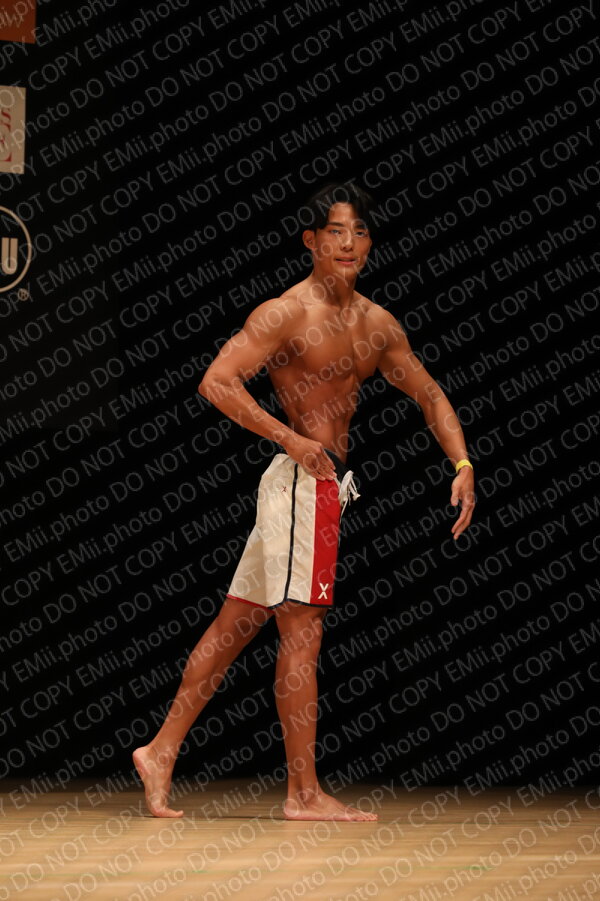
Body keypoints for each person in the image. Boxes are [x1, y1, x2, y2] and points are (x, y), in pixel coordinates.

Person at [132, 181, 476, 819]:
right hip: (301, 484)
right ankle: (304, 793)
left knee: (235, 626)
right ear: (311, 241)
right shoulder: (286, 312)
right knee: (303, 631)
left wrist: (462, 463)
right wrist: (289, 438)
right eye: (335, 232)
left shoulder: (376, 324)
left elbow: (430, 394)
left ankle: (160, 750)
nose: (348, 243)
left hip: (321, 487)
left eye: (360, 232)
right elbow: (217, 381)